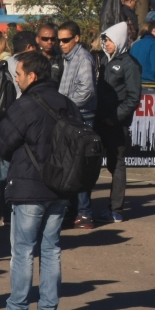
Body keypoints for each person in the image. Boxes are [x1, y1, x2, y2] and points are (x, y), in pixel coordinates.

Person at [0, 51, 85, 310]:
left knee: (23, 250)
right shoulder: (68, 104)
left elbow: (2, 144)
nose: (16, 79)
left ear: (31, 76)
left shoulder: (24, 106)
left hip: (29, 188)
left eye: (19, 74)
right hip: (61, 186)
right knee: (51, 248)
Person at [95, 22, 141, 223]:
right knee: (92, 162)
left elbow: (133, 97)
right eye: (105, 40)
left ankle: (116, 210)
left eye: (110, 40)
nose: (106, 43)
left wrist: (115, 117)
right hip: (99, 120)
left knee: (117, 164)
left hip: (116, 124)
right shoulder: (105, 61)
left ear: (120, 41)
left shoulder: (130, 64)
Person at [56, 20, 97, 229]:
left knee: (80, 166)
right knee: (70, 166)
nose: (61, 44)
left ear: (77, 38)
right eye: (60, 40)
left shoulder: (83, 58)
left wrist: (66, 105)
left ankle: (84, 213)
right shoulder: (68, 58)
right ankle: (73, 210)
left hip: (81, 118)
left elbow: (86, 90)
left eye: (65, 40)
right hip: (71, 117)